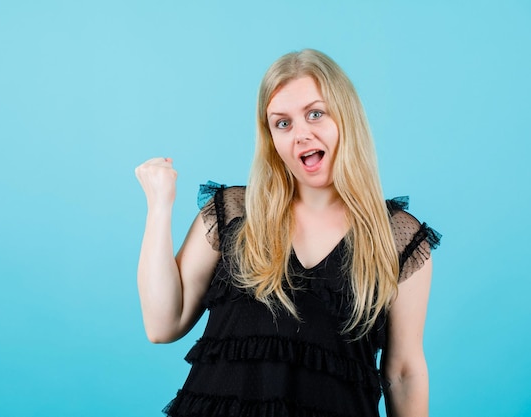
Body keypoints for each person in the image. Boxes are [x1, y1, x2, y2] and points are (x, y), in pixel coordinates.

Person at [135, 49, 441, 417]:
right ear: (271, 140)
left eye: (316, 113)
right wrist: (159, 205)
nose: (301, 135)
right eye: (282, 123)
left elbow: (404, 373)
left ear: (347, 117)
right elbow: (161, 324)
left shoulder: (397, 239)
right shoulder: (234, 213)